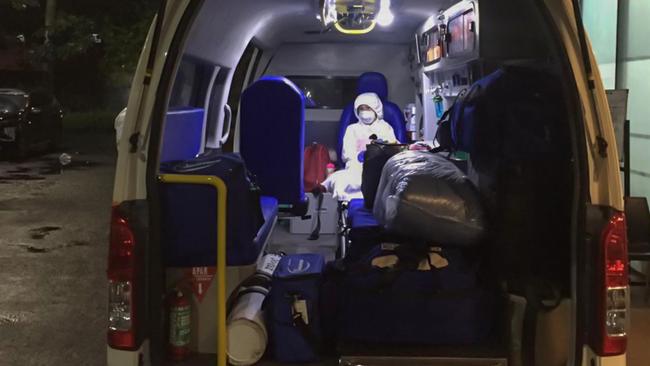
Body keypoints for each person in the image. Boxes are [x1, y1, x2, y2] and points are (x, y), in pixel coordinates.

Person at [323, 92, 398, 201]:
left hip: (380, 168)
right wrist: (360, 157)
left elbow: (393, 146)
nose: (364, 112)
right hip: (357, 168)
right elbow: (347, 154)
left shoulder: (385, 127)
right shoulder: (352, 129)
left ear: (375, 109)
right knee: (340, 181)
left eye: (367, 108)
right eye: (361, 109)